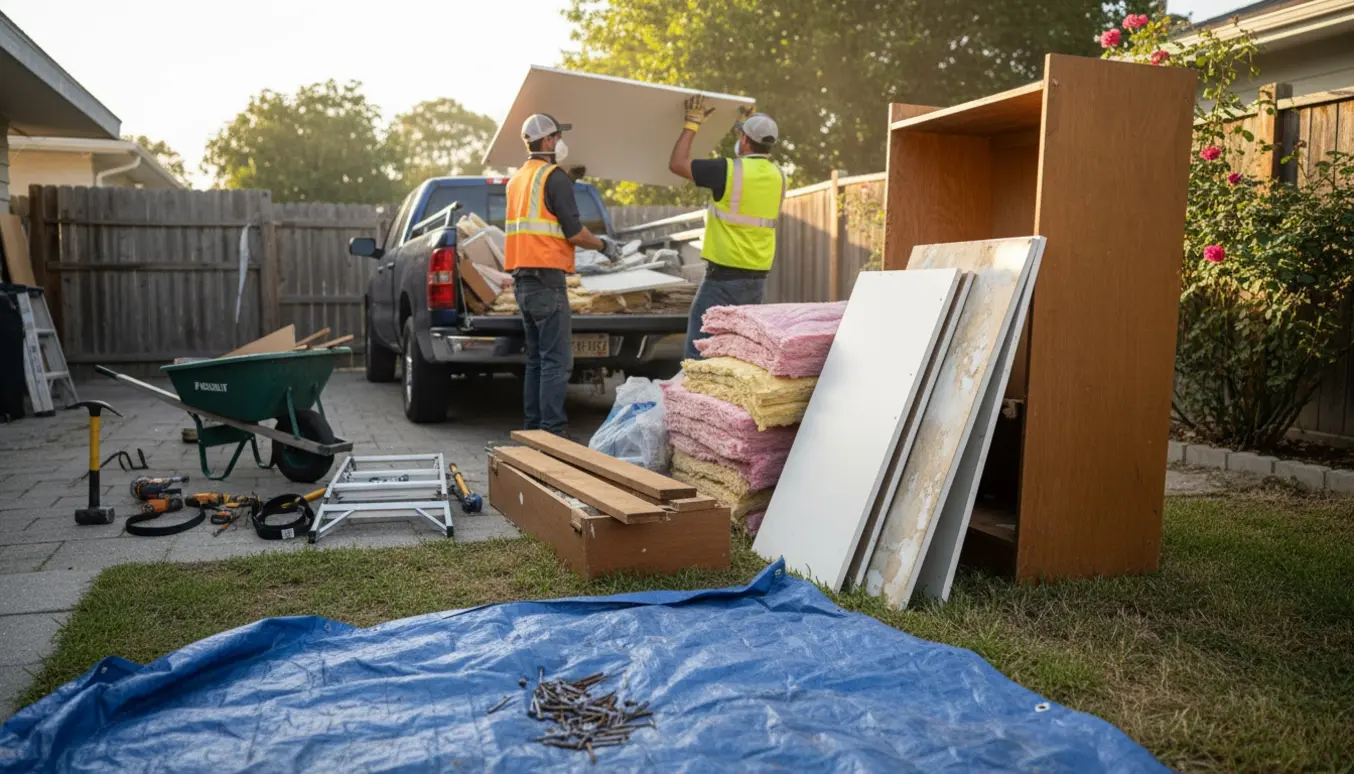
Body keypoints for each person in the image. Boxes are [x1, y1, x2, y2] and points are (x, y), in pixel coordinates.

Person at [504, 113, 620, 436]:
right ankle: (553, 434)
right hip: (547, 281)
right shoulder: (554, 177)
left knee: (537, 360)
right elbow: (574, 233)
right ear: (548, 141)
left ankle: (532, 431)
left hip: (522, 281)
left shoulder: (516, 180)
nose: (560, 141)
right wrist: (603, 246)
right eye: (557, 136)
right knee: (557, 361)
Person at [668, 97, 786, 360]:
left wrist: (692, 123)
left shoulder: (728, 171)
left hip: (722, 282)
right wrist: (749, 122)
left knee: (699, 357)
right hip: (756, 282)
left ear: (744, 140)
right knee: (737, 359)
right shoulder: (779, 175)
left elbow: (677, 163)